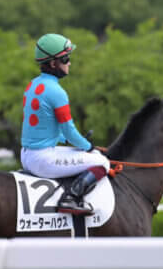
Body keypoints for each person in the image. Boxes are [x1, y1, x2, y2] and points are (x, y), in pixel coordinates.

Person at [19, 33, 111, 216]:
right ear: (53, 64)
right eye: (66, 58)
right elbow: (69, 130)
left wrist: (72, 144)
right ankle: (71, 198)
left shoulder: (33, 84)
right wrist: (87, 146)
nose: (69, 63)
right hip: (42, 159)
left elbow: (46, 128)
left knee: (91, 153)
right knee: (102, 162)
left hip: (27, 155)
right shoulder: (57, 92)